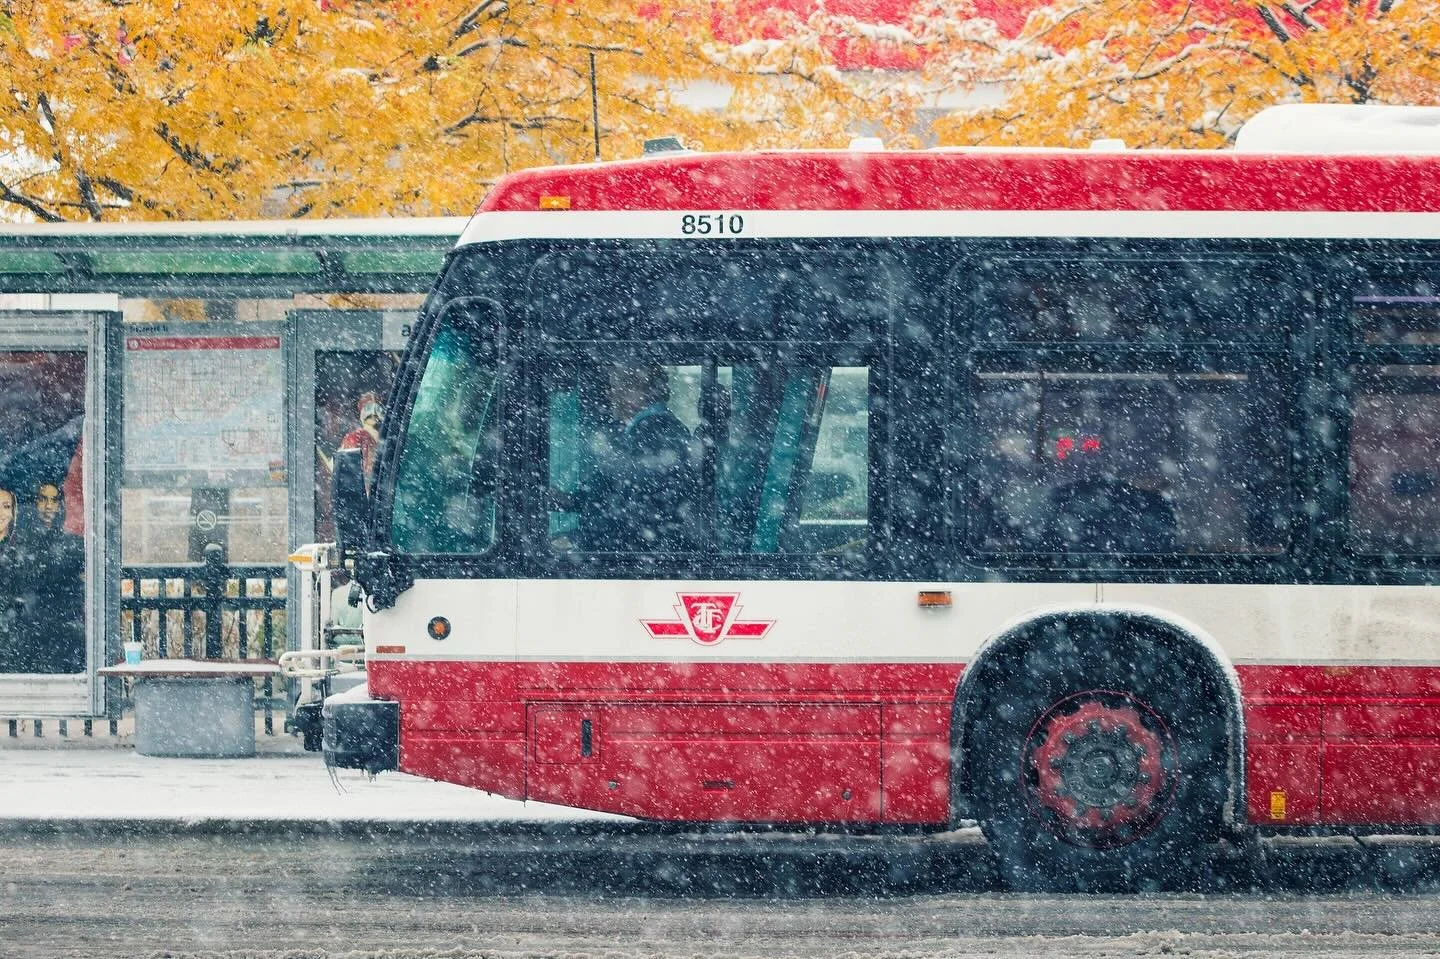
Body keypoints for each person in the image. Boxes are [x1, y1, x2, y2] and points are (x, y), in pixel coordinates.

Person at [572, 364, 699, 552]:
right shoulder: (639, 430)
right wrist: (572, 501)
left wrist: (582, 540)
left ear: (639, 392)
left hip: (639, 555)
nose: (609, 395)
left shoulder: (656, 431)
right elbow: (610, 487)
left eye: (615, 388)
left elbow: (639, 509)